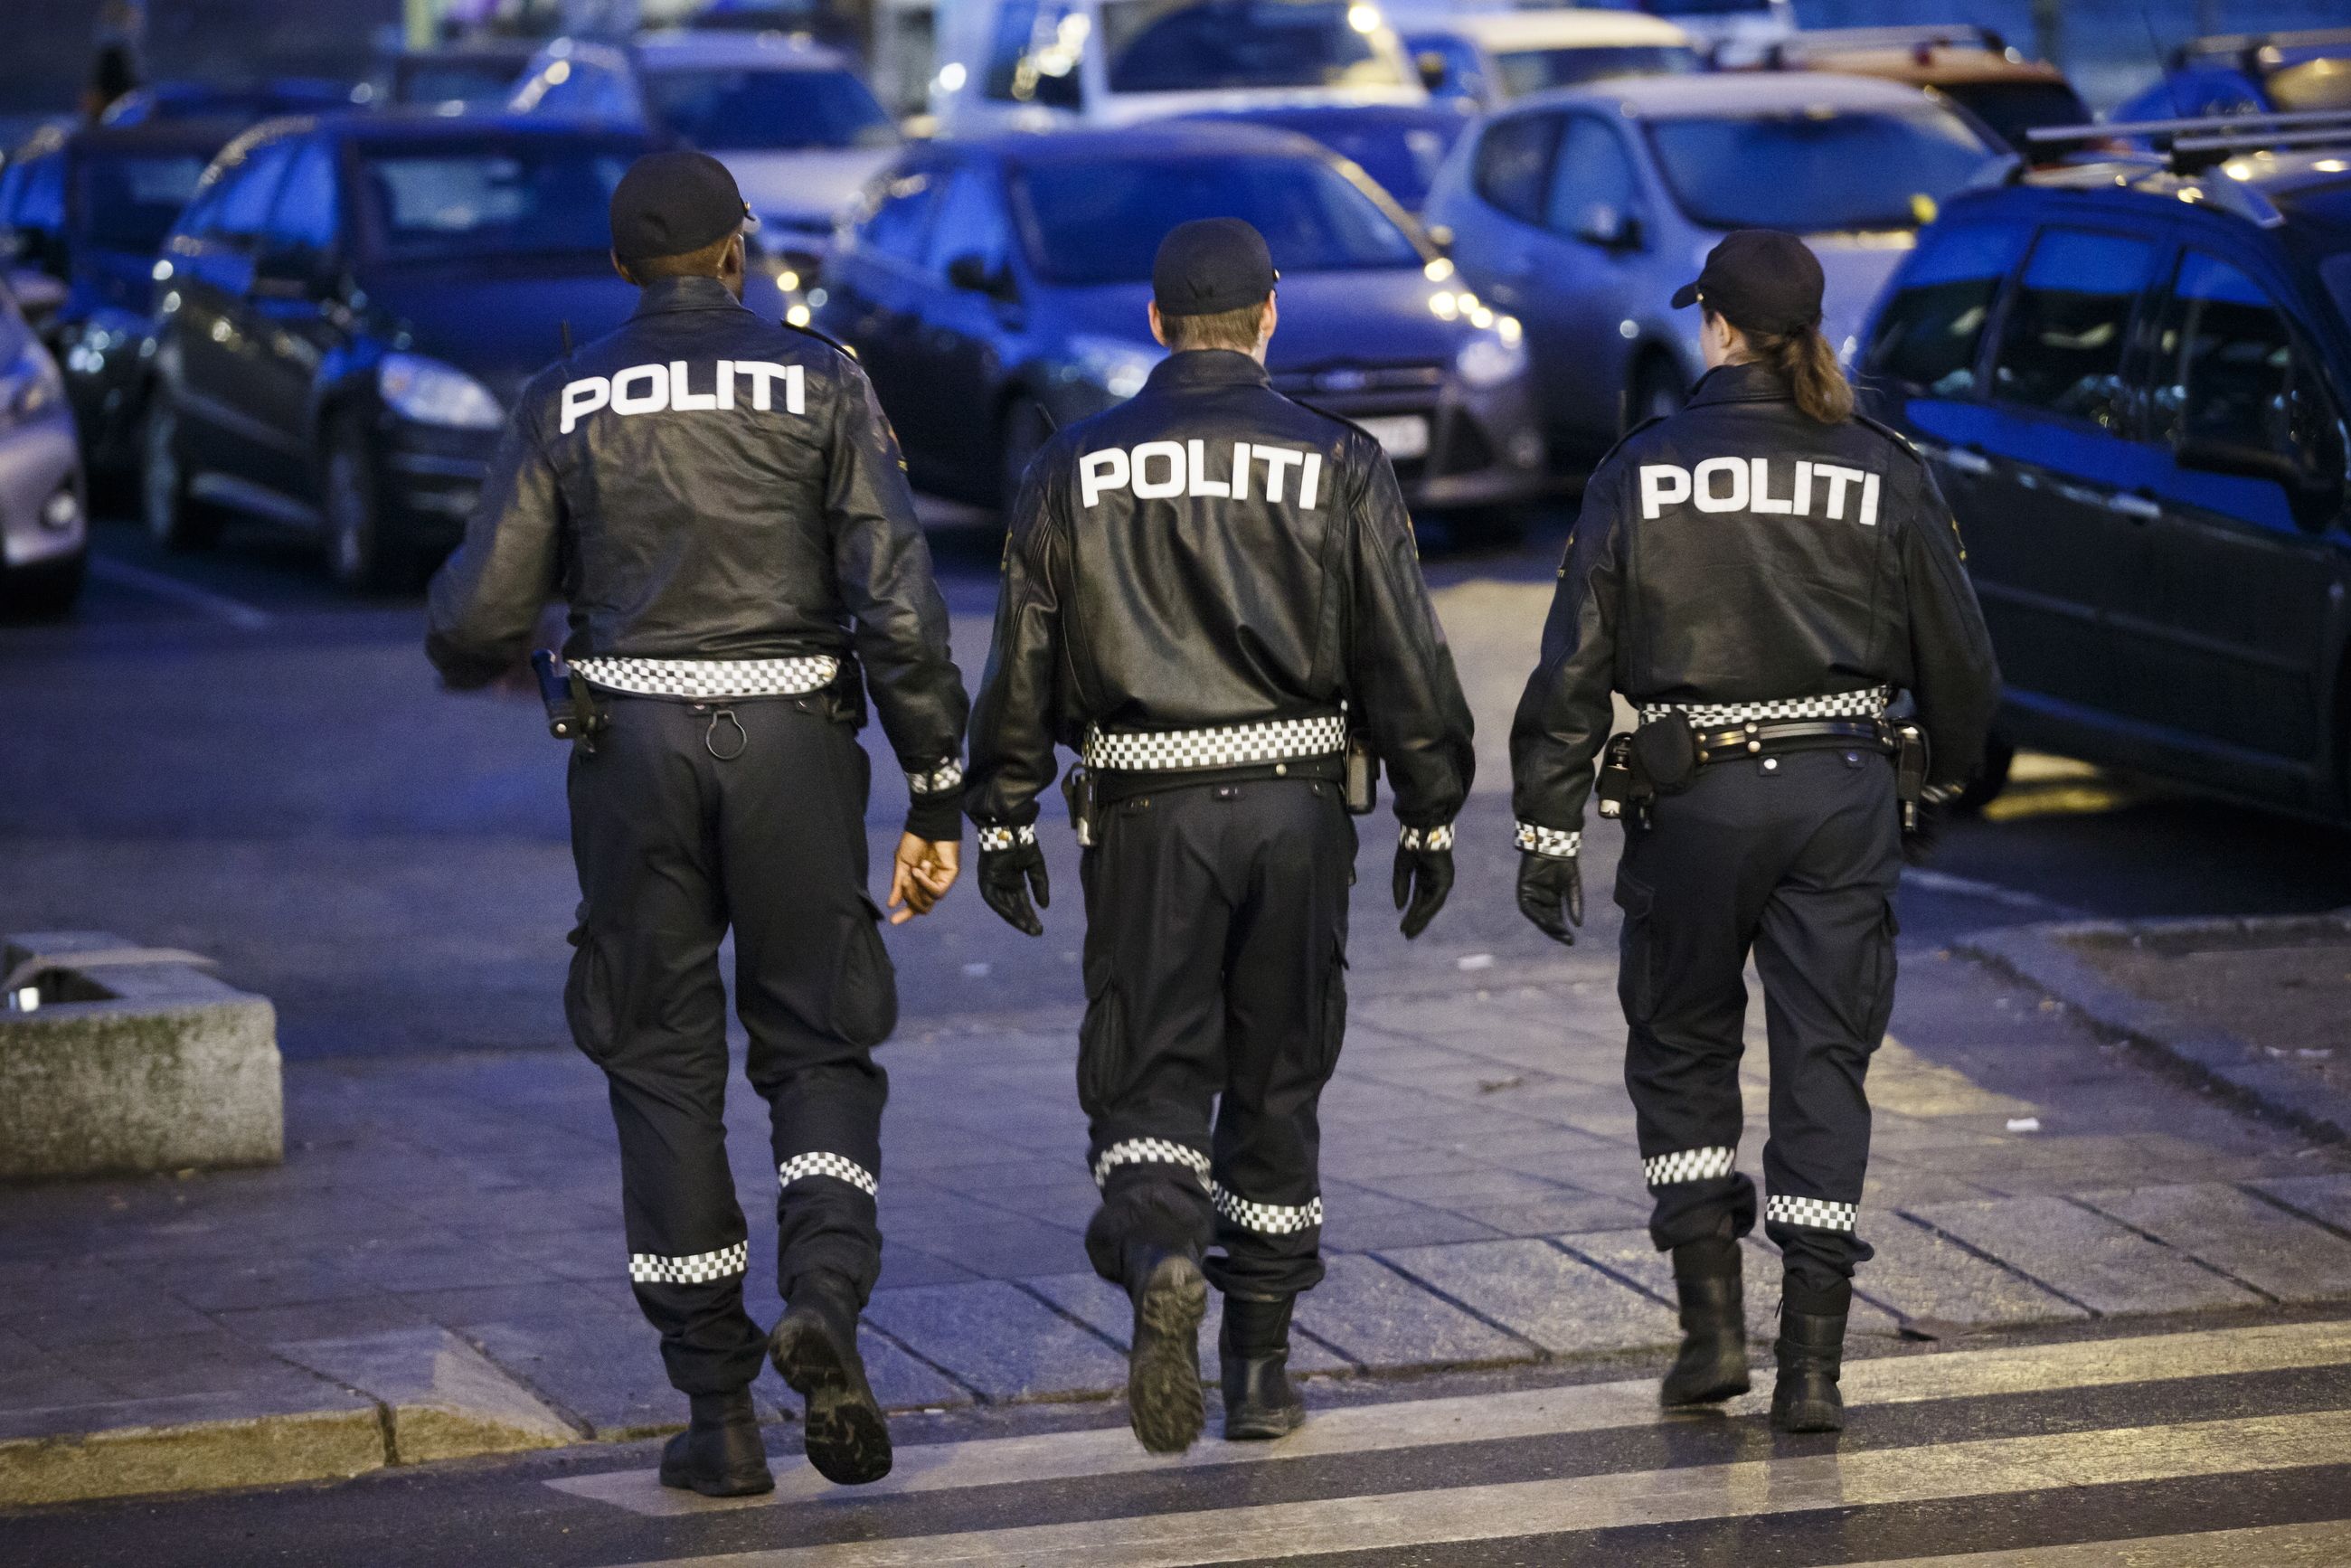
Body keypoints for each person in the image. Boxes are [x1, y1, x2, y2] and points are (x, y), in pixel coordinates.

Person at [425, 150, 968, 1496]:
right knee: (819, 1034)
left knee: (659, 1056)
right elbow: (898, 604)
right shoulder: (823, 379)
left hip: (632, 753)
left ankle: (718, 1415)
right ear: (739, 251)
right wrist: (938, 790)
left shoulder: (565, 395)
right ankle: (823, 1301)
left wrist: (516, 631)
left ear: (621, 268)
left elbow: (476, 616)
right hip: (797, 746)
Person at [966, 218, 1476, 1454]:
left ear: (1155, 323)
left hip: (1147, 813)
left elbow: (1023, 654)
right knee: (1278, 1074)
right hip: (1300, 809)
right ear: (1269, 317)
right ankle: (1259, 1372)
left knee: (1148, 1069)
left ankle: (1161, 1254)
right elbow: (1403, 651)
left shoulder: (1074, 464)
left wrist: (1002, 809)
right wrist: (1431, 806)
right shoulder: (1340, 460)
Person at [1508, 230, 1998, 1432]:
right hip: (1842, 796)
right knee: (1825, 1060)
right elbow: (1963, 666)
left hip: (1694, 800)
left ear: (1719, 328)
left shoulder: (1643, 468)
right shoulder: (1882, 466)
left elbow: (1572, 664)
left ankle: (1711, 1332)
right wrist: (1934, 785)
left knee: (1681, 1045)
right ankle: (1813, 1369)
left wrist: (1546, 822)